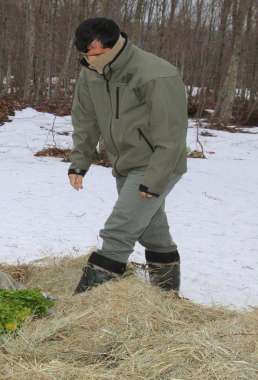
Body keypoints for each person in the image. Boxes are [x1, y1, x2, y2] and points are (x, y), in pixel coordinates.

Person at [67, 18, 188, 294]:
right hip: (124, 164)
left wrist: (154, 179)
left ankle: (84, 306)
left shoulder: (155, 74)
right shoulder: (91, 72)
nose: (91, 60)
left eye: (97, 54)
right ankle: (165, 298)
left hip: (157, 164)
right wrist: (80, 161)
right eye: (85, 54)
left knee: (119, 230)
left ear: (115, 45)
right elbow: (85, 120)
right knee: (151, 231)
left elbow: (171, 134)